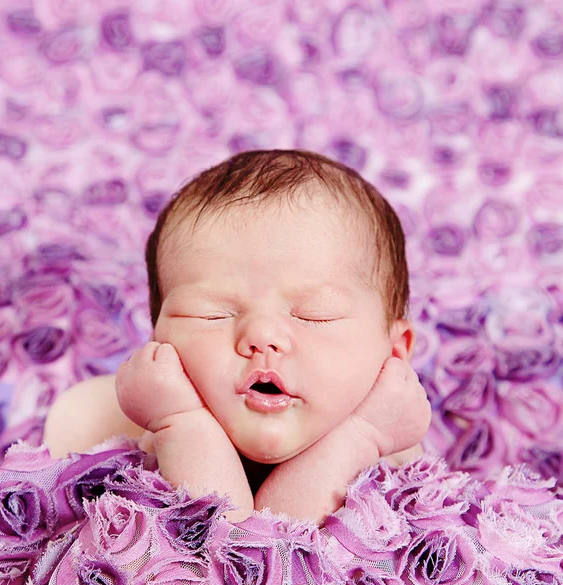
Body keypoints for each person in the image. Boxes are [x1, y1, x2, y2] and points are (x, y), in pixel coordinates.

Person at [44, 149, 431, 523]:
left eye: (315, 314)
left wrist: (358, 439)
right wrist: (182, 424)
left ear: (394, 355)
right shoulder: (116, 443)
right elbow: (217, 555)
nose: (261, 336)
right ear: (158, 340)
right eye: (211, 313)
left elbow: (286, 556)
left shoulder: (394, 449)